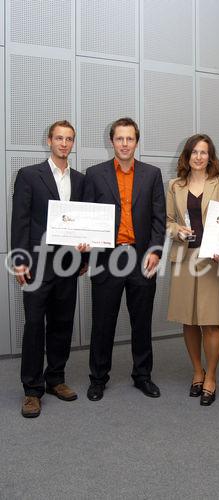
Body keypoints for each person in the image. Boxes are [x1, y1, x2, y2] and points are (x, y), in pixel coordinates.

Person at [83, 117, 166, 401]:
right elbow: (86, 215)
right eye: (120, 138)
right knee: (102, 322)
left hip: (142, 258)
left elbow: (159, 218)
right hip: (107, 258)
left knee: (141, 322)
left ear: (136, 142)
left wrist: (156, 250)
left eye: (130, 139)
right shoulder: (94, 174)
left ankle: (142, 376)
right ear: (112, 141)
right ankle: (98, 378)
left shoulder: (152, 174)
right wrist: (84, 241)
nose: (125, 144)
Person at [11, 120, 86, 418]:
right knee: (33, 325)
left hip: (68, 263)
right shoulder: (30, 175)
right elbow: (21, 220)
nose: (64, 144)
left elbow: (84, 221)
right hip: (37, 263)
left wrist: (84, 255)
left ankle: (56, 378)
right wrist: (19, 259)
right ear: (49, 141)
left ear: (73, 143)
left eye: (69, 139)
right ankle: (32, 390)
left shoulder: (80, 180)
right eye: (59, 138)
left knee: (62, 322)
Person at [167, 134, 219, 406]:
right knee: (189, 320)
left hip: (212, 260)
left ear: (210, 156)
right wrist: (177, 231)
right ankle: (197, 371)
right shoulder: (175, 185)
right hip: (185, 258)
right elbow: (169, 220)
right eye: (194, 152)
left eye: (204, 152)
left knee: (210, 320)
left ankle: (212, 376)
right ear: (187, 155)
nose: (198, 157)